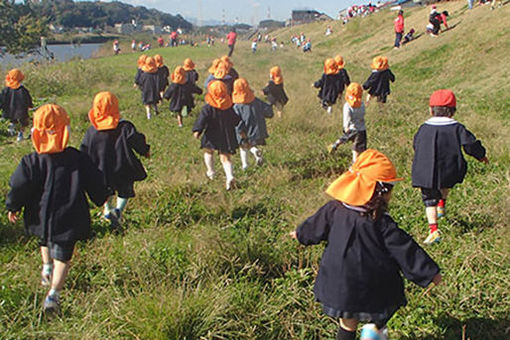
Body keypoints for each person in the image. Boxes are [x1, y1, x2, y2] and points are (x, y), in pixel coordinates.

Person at [290, 149, 442, 340]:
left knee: (347, 321)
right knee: (382, 311)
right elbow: (405, 249)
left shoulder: (333, 209)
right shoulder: (381, 222)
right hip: (373, 283)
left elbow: (312, 228)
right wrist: (429, 273)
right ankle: (373, 331)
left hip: (339, 282)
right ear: (380, 193)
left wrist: (299, 234)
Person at [6, 104, 109, 315]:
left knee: (45, 238)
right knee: (63, 255)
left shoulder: (30, 161)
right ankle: (53, 294)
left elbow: (18, 186)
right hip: (69, 216)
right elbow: (94, 180)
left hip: (39, 215)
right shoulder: (77, 158)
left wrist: (13, 205)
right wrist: (102, 197)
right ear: (65, 131)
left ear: (36, 132)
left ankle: (46, 267)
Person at [412, 90, 488, 245]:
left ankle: (433, 230)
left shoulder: (423, 128)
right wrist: (481, 156)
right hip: (450, 168)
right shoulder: (457, 128)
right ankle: (442, 205)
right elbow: (470, 144)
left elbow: (416, 144)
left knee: (429, 199)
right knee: (445, 182)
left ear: (431, 110)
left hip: (425, 171)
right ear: (453, 111)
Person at [81, 92, 150, 228]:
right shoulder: (125, 127)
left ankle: (107, 209)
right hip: (123, 167)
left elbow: (84, 150)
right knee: (125, 189)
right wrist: (145, 150)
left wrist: (84, 166)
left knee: (105, 190)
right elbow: (137, 140)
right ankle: (118, 210)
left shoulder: (92, 131)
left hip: (101, 168)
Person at [192, 81, 246, 190]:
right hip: (226, 134)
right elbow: (236, 119)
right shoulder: (228, 106)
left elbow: (201, 120)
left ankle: (211, 172)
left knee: (208, 151)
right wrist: (241, 131)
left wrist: (197, 130)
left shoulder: (207, 108)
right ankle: (230, 176)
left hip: (211, 134)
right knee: (225, 157)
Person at [232, 78, 273, 170]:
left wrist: (239, 131)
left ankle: (245, 165)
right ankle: (257, 154)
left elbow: (237, 120)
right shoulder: (256, 100)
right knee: (251, 143)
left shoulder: (237, 106)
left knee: (243, 146)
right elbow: (268, 111)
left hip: (244, 128)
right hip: (257, 127)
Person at [328, 83, 367, 163]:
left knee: (345, 137)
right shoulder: (362, 105)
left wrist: (346, 127)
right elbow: (362, 115)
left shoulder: (347, 106)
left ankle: (335, 145)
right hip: (361, 130)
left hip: (351, 129)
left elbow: (347, 118)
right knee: (357, 149)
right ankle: (355, 163)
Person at [1, 69, 33, 142]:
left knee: (12, 122)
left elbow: (2, 100)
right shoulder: (23, 90)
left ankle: (10, 132)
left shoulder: (6, 90)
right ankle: (20, 135)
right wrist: (30, 106)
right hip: (21, 112)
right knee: (23, 124)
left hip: (8, 111)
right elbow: (28, 100)